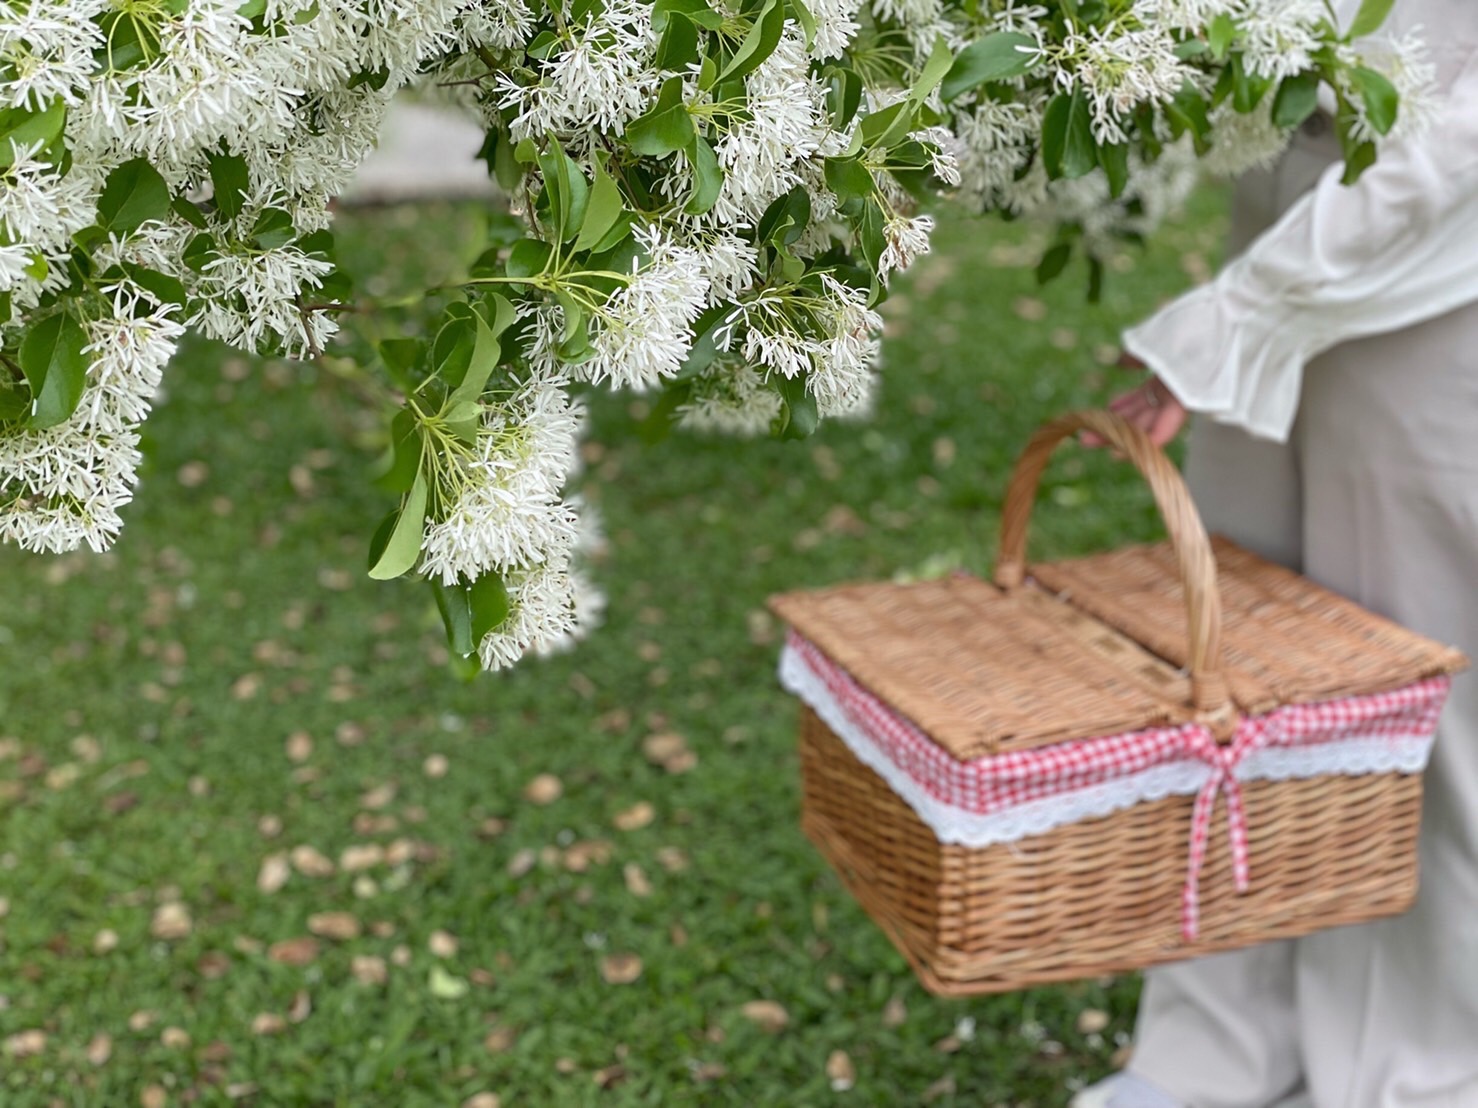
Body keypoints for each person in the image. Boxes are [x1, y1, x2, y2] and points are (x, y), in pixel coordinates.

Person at [1072, 2, 1478, 1106]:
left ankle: (1419, 1074)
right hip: (1288, 196)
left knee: (1417, 701)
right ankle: (1209, 1052)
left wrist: (1237, 321)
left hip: (1443, 267)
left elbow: (1455, 139)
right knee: (1234, 668)